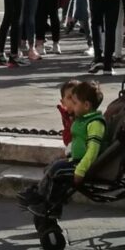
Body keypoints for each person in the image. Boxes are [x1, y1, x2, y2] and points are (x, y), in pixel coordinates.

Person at [18, 79, 107, 217]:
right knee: (53, 167)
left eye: (75, 103)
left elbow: (93, 150)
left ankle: (50, 207)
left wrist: (81, 170)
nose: (73, 105)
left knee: (57, 170)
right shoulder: (83, 119)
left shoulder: (95, 123)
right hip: (76, 160)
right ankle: (39, 195)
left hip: (82, 165)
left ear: (86, 105)